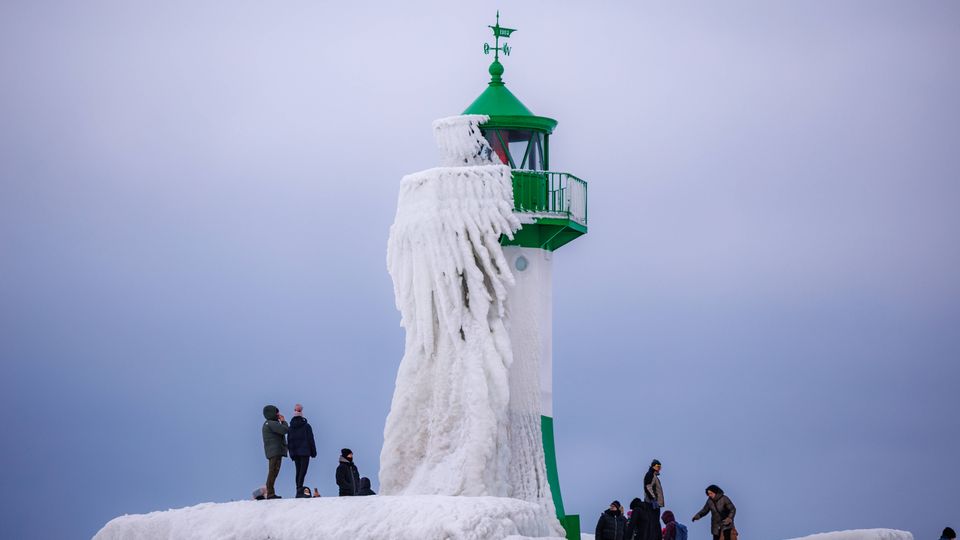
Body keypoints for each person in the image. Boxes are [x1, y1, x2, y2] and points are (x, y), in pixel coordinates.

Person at [286, 404, 317, 496]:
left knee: (298, 471)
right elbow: (311, 439)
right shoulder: (306, 426)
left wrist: (291, 453)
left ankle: (298, 489)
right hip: (305, 452)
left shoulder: (291, 427)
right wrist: (313, 452)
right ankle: (299, 488)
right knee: (303, 471)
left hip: (295, 453)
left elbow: (289, 441)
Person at [261, 405, 289, 499]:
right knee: (273, 472)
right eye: (276, 412)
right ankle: (270, 493)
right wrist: (283, 421)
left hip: (273, 451)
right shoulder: (271, 423)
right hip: (275, 451)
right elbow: (285, 430)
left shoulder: (268, 423)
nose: (278, 414)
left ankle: (270, 492)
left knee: (273, 472)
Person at [644, 460, 665, 535]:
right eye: (657, 466)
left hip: (655, 504)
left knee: (655, 524)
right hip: (651, 504)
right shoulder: (650, 474)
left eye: (660, 467)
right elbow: (647, 487)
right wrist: (653, 499)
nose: (659, 469)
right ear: (653, 466)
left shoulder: (654, 476)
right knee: (652, 524)